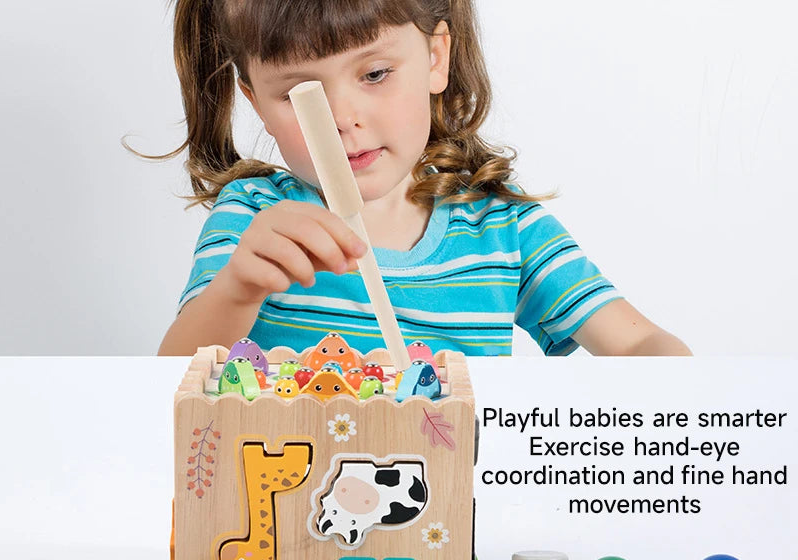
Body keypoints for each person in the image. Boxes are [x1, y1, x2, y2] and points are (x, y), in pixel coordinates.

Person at [157, 0, 690, 358]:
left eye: (374, 74)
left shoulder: (506, 231)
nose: (342, 119)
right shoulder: (253, 219)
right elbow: (173, 377)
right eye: (300, 95)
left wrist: (675, 381)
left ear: (436, 57)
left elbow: (638, 344)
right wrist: (239, 289)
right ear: (256, 103)